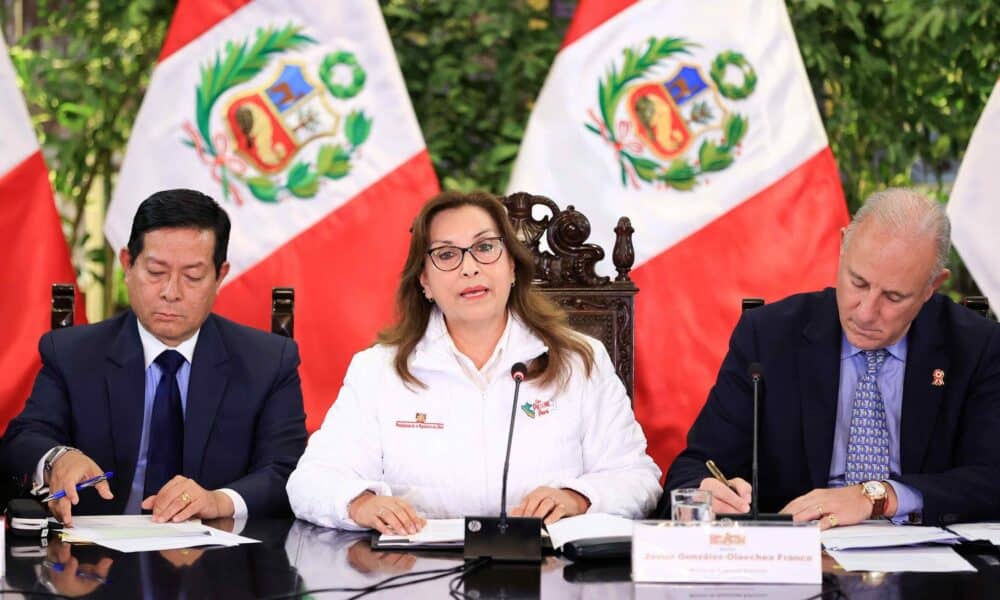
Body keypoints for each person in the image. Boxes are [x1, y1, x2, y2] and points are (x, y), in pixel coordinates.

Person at [287, 190, 661, 533]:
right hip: (416, 575)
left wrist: (577, 498)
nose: (470, 268)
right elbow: (311, 481)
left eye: (485, 247)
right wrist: (359, 503)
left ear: (513, 266)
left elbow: (637, 478)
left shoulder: (580, 360)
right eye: (447, 254)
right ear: (425, 283)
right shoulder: (378, 370)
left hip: (549, 575)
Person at [660, 188, 1000, 528]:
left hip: (929, 566)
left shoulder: (974, 348)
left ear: (932, 287)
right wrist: (706, 493)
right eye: (858, 282)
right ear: (842, 248)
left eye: (894, 297)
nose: (867, 313)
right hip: (799, 557)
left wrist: (879, 496)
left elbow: (991, 480)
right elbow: (693, 468)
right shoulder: (769, 338)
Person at [0, 189, 307, 525]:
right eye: (156, 271)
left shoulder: (267, 361)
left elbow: (285, 470)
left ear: (220, 276)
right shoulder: (73, 353)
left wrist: (219, 500)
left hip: (217, 561)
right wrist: (58, 459)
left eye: (192, 276)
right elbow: (22, 440)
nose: (170, 292)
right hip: (95, 562)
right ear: (127, 265)